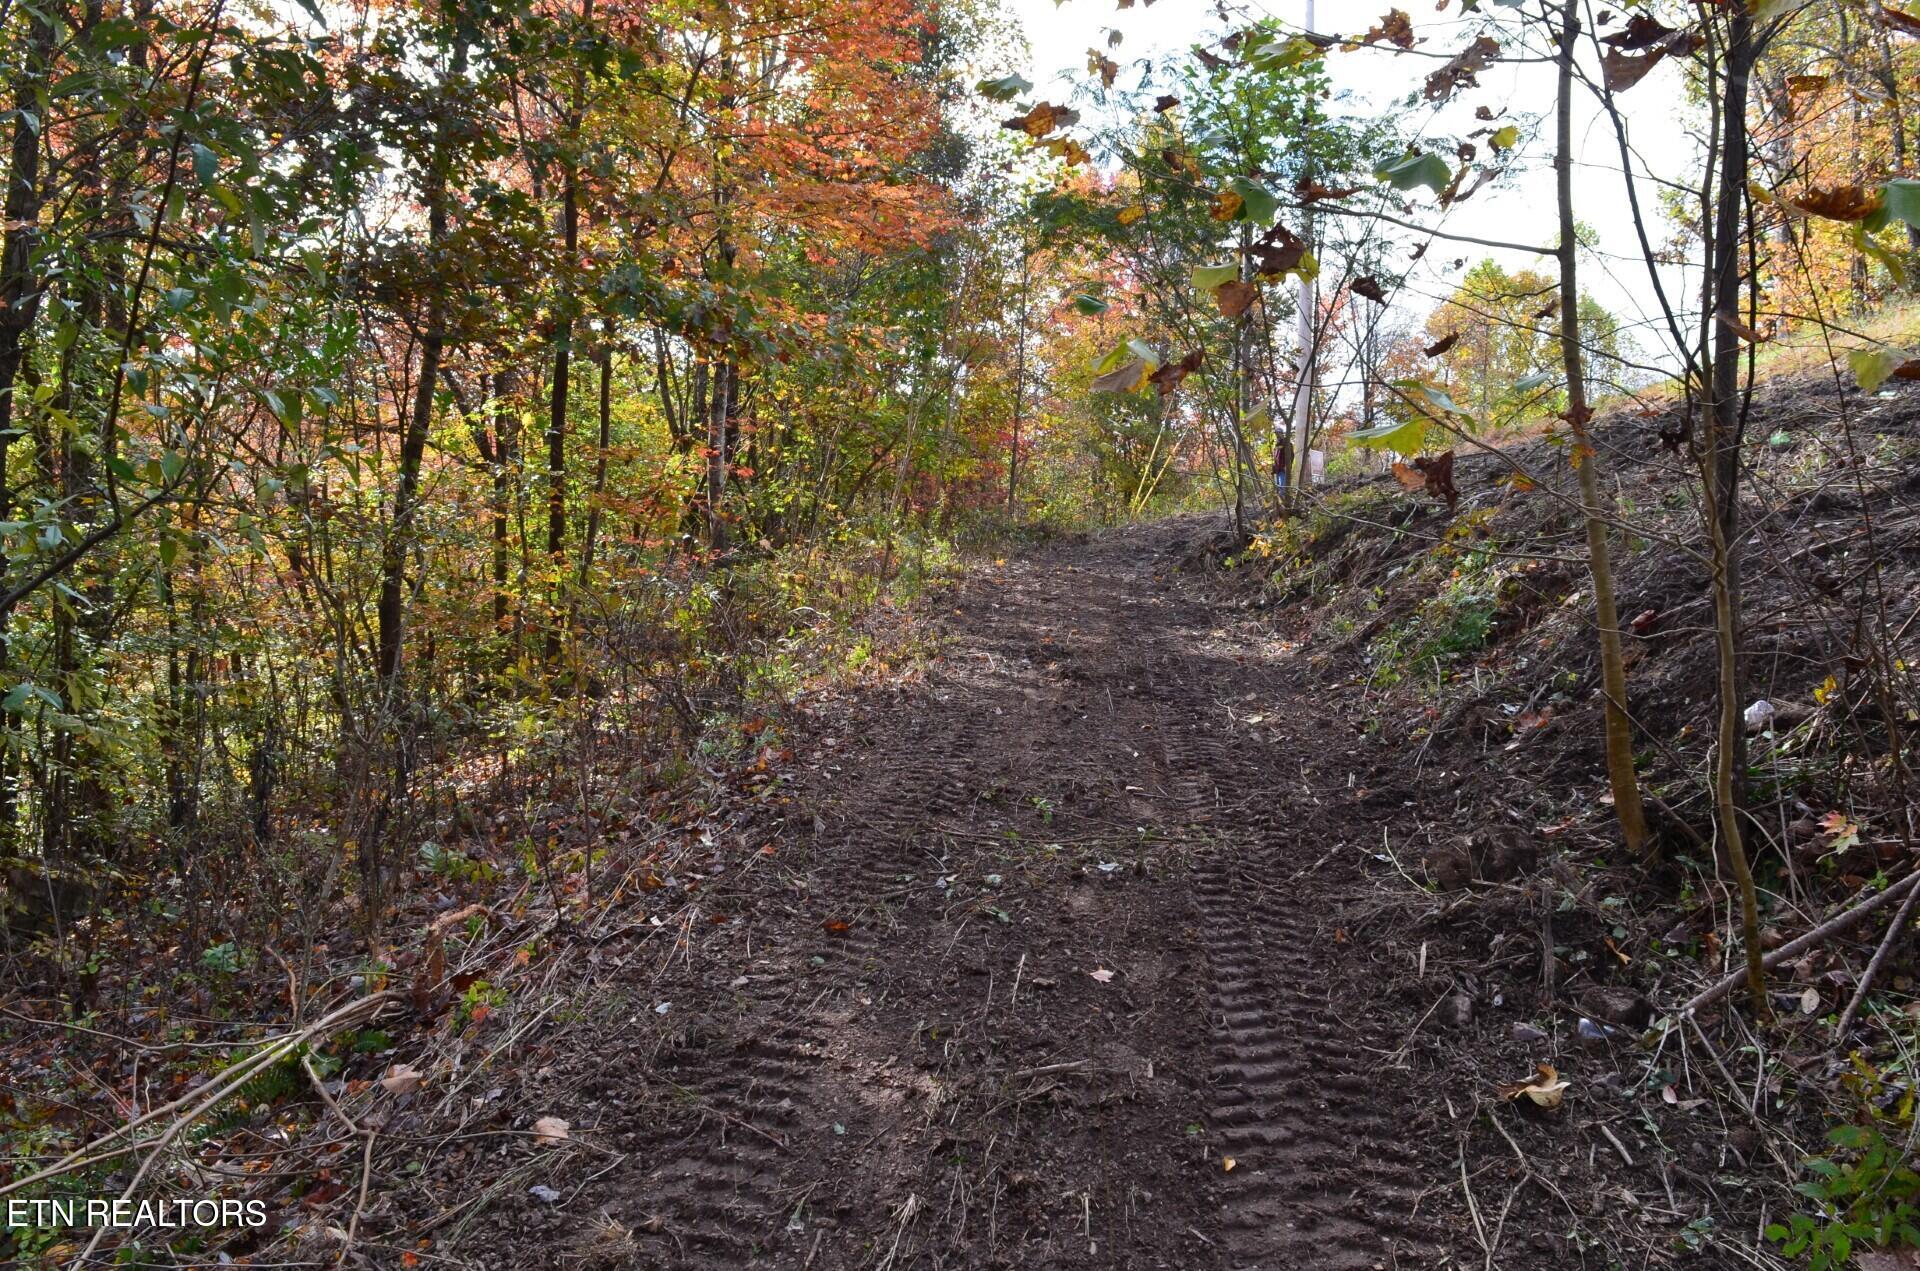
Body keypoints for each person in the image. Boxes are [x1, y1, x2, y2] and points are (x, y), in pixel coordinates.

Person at [1272, 431, 1294, 497]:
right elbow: (1275, 458)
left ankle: (1283, 501)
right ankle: (1280, 503)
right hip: (1277, 469)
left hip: (1283, 468)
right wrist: (1274, 468)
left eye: (1278, 433)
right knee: (1278, 487)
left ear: (1282, 434)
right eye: (1276, 434)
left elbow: (1292, 456)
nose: (1277, 435)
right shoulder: (1276, 446)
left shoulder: (1287, 444)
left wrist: (1287, 466)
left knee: (1282, 487)